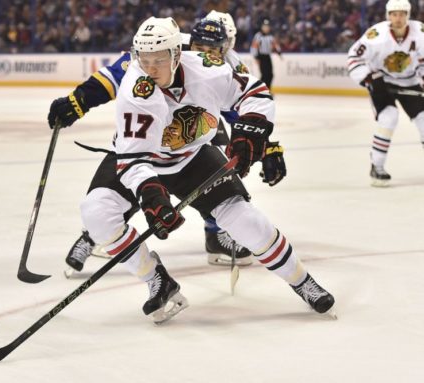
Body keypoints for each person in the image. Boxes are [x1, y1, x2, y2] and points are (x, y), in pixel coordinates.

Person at [66, 16, 334, 323]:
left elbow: (254, 93)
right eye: (144, 59)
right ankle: (158, 281)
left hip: (193, 157)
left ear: (177, 55)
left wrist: (250, 133)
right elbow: (133, 158)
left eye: (158, 60)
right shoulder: (134, 91)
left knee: (248, 223)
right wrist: (153, 197)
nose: (149, 68)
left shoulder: (208, 68)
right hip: (139, 160)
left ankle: (302, 281)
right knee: (96, 213)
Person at [49, 13, 286, 274]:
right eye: (201, 48)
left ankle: (215, 234)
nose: (209, 54)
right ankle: (92, 235)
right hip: (151, 123)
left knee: (216, 172)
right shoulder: (170, 48)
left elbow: (240, 111)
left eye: (217, 49)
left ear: (228, 46)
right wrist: (80, 100)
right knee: (132, 181)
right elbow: (120, 72)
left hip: (194, 123)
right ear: (189, 42)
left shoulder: (230, 64)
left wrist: (264, 144)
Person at [347, 0, 424, 187]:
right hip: (382, 82)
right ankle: (377, 166)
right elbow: (354, 58)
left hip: (410, 82)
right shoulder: (376, 35)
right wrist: (369, 79)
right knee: (389, 118)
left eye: (402, 14)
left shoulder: (420, 33)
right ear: (388, 16)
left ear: (408, 15)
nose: (398, 18)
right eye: (394, 14)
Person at [250, 18, 282, 89]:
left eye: (267, 26)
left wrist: (279, 52)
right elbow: (254, 47)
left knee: (270, 75)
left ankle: (267, 90)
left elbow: (275, 45)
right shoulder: (258, 36)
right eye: (264, 26)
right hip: (261, 57)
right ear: (262, 27)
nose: (266, 28)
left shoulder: (270, 36)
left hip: (268, 57)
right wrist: (256, 57)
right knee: (264, 74)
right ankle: (261, 90)